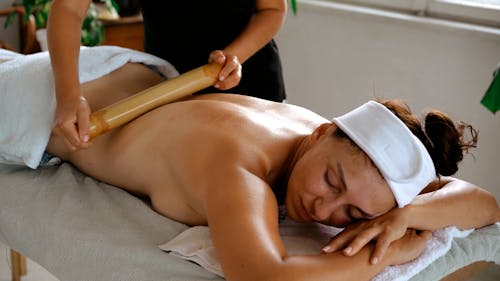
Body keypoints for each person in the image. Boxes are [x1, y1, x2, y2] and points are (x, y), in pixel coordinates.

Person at [43, 61, 499, 281]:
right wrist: (395, 253)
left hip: (131, 77)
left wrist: (404, 218)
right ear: (322, 133)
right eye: (332, 182)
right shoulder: (241, 169)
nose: (324, 206)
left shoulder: (335, 147)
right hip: (46, 110)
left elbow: (484, 204)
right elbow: (266, 278)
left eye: (355, 215)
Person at [46, 0, 287, 152]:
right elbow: (68, 9)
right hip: (169, 87)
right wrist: (68, 97)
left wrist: (234, 56)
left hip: (252, 86)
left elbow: (272, 9)